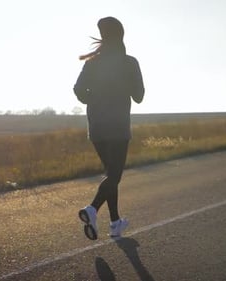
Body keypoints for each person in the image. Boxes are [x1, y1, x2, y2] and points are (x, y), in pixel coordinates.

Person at [73, 17, 144, 240]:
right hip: (118, 126)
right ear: (121, 35)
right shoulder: (129, 62)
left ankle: (115, 223)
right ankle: (92, 209)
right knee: (114, 175)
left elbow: (78, 90)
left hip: (96, 126)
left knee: (110, 175)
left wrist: (96, 98)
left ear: (103, 36)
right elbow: (139, 96)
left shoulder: (92, 62)